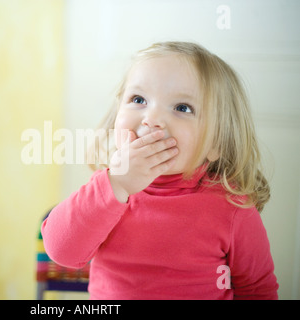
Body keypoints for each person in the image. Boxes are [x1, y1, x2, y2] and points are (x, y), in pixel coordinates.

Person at [41, 41, 279, 299]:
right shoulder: (108, 189)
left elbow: (256, 289)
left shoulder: (232, 207)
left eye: (182, 108)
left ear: (217, 143)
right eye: (138, 99)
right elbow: (61, 252)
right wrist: (117, 183)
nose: (151, 118)